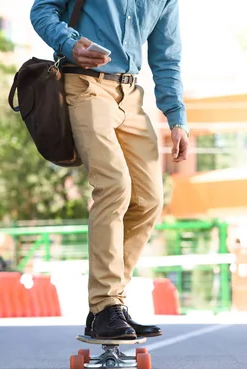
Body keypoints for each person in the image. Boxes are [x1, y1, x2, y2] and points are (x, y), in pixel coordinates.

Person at [30, 0, 189, 339]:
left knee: (148, 200)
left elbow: (166, 57)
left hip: (130, 96)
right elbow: (42, 10)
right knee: (114, 185)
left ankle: (109, 303)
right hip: (84, 86)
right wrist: (69, 42)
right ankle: (105, 306)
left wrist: (176, 118)